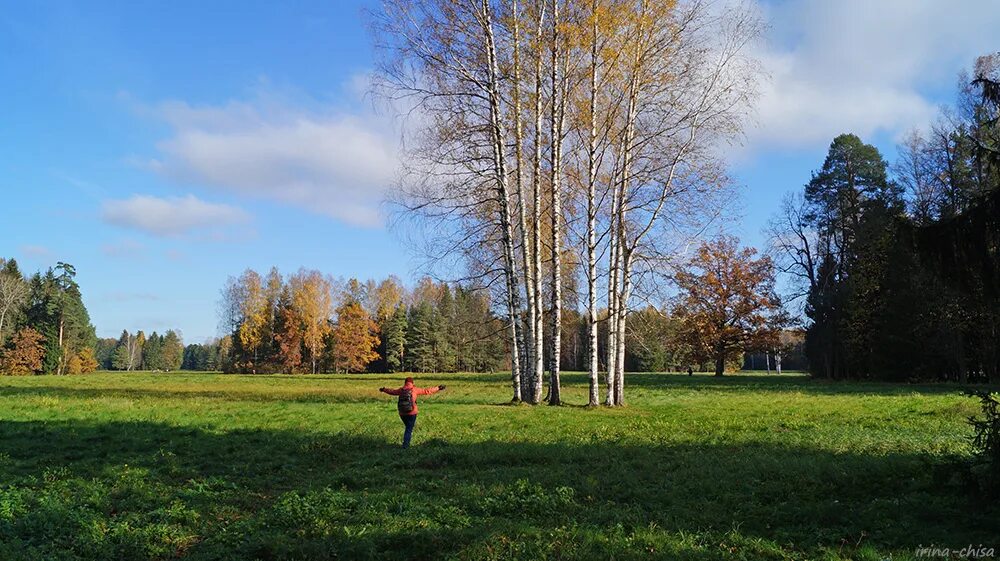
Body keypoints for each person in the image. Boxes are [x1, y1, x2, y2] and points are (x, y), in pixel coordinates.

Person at [379, 377, 446, 448]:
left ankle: (406, 443)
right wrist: (438, 388)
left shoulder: (401, 390)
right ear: (412, 383)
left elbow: (392, 391)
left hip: (402, 412)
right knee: (409, 429)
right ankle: (405, 445)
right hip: (412, 412)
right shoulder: (414, 389)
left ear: (405, 382)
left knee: (408, 427)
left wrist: (384, 389)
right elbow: (427, 391)